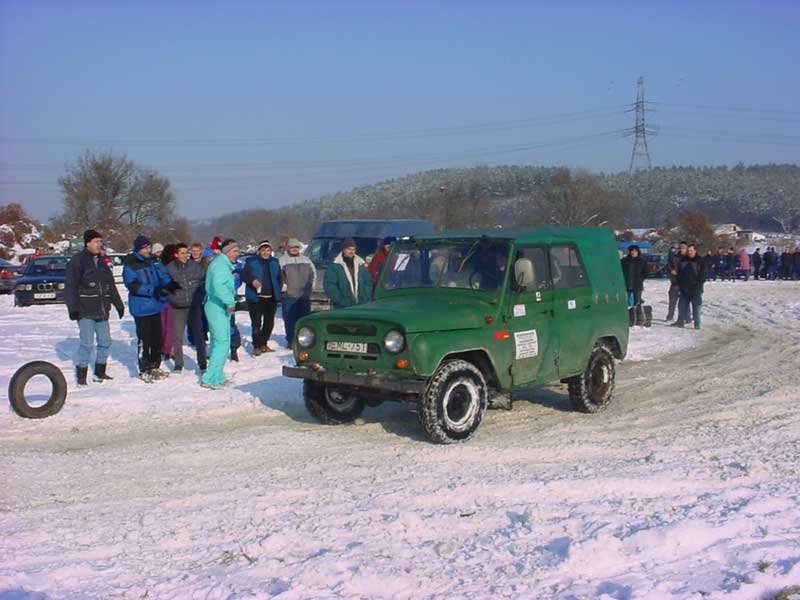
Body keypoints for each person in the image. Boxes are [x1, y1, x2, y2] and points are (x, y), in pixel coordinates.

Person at [64, 229, 125, 385]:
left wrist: (118, 304)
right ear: (88, 243)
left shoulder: (103, 262)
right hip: (85, 310)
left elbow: (110, 285)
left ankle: (99, 372)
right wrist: (73, 309)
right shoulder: (77, 261)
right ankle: (82, 374)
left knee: (105, 342)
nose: (99, 244)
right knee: (87, 343)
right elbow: (70, 287)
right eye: (96, 241)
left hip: (102, 310)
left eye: (100, 241)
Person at [123, 235, 178, 382]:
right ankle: (144, 368)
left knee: (157, 338)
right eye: (145, 248)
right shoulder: (131, 264)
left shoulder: (153, 261)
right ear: (139, 249)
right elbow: (133, 285)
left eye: (149, 247)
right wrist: (152, 290)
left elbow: (162, 275)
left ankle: (155, 365)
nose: (148, 250)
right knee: (144, 339)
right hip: (141, 307)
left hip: (155, 306)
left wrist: (169, 284)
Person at [201, 238, 239, 389]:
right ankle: (209, 377)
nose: (238, 254)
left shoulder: (221, 264)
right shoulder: (220, 265)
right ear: (227, 251)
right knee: (222, 342)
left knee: (219, 341)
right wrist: (230, 302)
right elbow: (218, 286)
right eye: (235, 251)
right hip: (217, 306)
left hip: (217, 305)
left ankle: (218, 375)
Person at [166, 243, 207, 373]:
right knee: (177, 336)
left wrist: (199, 296)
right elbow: (164, 285)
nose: (185, 255)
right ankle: (178, 364)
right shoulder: (170, 268)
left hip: (194, 306)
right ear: (176, 254)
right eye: (182, 253)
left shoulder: (195, 266)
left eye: (186, 253)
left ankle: (202, 364)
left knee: (199, 336)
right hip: (177, 307)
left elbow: (203, 282)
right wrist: (171, 295)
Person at [243, 240, 282, 355]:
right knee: (256, 323)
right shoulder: (251, 261)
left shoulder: (275, 262)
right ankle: (256, 346)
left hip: (271, 297)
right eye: (263, 250)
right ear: (259, 251)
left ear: (271, 251)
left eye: (268, 250)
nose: (265, 252)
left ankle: (264, 343)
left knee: (269, 323)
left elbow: (279, 278)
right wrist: (252, 280)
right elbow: (245, 275)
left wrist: (278, 289)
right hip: (256, 297)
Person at [279, 237, 316, 345]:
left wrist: (310, 288)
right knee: (290, 320)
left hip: (304, 296)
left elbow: (313, 274)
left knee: (304, 320)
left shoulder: (306, 260)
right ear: (288, 248)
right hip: (289, 296)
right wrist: (283, 289)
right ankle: (291, 340)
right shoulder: (282, 260)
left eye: (296, 247)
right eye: (292, 247)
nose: (295, 249)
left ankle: (303, 341)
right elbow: (278, 277)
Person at [323, 238, 373, 309]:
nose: (352, 251)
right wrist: (340, 300)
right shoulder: (335, 266)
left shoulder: (361, 264)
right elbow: (329, 285)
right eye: (349, 249)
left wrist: (365, 297)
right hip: (342, 307)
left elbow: (368, 282)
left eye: (353, 249)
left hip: (361, 305)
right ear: (343, 249)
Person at [672, 243, 706, 329]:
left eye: (691, 250)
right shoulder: (683, 261)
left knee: (696, 308)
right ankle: (680, 322)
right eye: (688, 251)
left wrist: (698, 285)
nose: (689, 252)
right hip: (684, 288)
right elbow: (679, 274)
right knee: (682, 306)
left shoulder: (700, 261)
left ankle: (697, 323)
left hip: (696, 288)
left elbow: (703, 275)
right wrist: (679, 283)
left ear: (695, 250)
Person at [160, 244, 178, 361]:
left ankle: (168, 349)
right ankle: (166, 348)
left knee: (169, 326)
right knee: (165, 326)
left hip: (170, 299)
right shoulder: (162, 267)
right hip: (163, 299)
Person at [666, 242, 687, 321]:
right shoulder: (674, 258)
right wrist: (672, 272)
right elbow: (668, 268)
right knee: (672, 301)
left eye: (684, 248)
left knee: (685, 302)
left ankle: (686, 317)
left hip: (686, 284)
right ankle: (670, 316)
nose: (682, 249)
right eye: (681, 248)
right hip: (675, 283)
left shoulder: (689, 258)